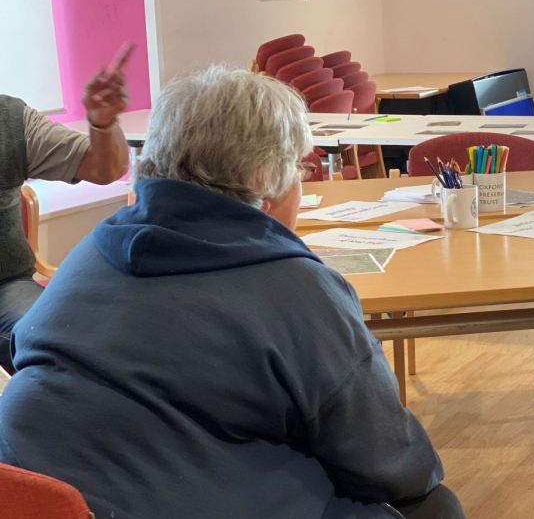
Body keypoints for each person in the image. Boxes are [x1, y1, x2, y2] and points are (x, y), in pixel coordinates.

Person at [0, 66, 465, 519]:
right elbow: (388, 461)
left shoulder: (90, 251)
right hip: (150, 497)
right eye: (299, 166)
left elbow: (31, 350)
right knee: (435, 505)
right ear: (265, 177)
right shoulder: (296, 289)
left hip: (28, 491)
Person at [0, 43, 133, 374]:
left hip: (5, 286)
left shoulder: (10, 121)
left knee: (70, 352)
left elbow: (104, 169)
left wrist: (102, 123)